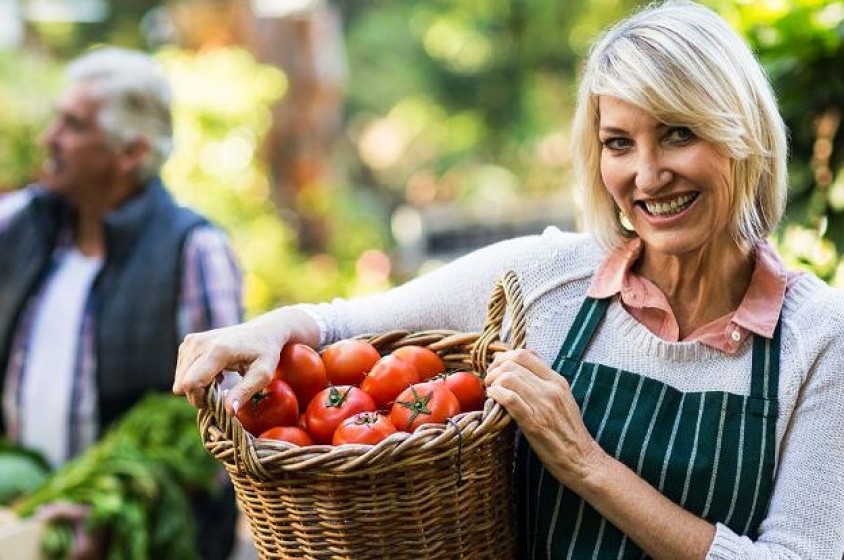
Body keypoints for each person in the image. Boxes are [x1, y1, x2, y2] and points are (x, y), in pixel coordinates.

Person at [173, 2, 844, 558]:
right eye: (618, 143)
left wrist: (587, 465)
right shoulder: (544, 280)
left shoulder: (817, 340)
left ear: (744, 136)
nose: (646, 174)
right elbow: (345, 325)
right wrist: (263, 330)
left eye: (678, 134)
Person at [0, 47, 243, 559]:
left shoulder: (194, 250)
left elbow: (225, 424)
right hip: (26, 528)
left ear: (130, 152)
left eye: (73, 125)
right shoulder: (21, 224)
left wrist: (114, 511)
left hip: (140, 542)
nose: (50, 139)